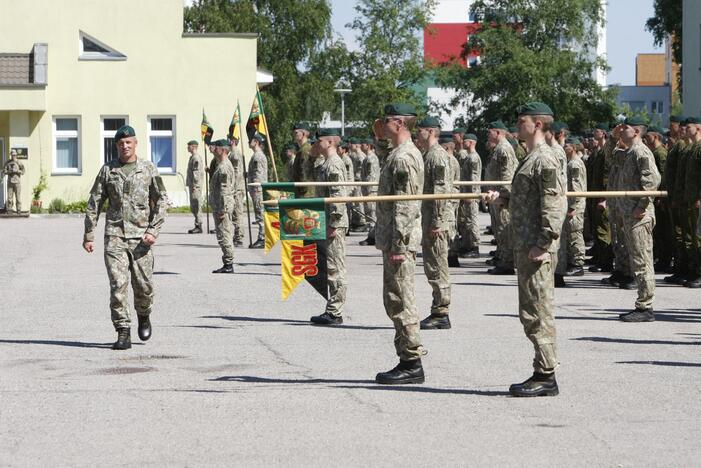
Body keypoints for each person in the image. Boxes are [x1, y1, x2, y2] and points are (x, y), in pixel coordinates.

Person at [486, 102, 566, 397]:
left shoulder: (544, 159)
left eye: (522, 121)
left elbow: (553, 204)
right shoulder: (530, 157)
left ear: (539, 125)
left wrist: (543, 244)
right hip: (526, 244)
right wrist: (503, 197)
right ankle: (542, 369)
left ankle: (545, 375)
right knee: (531, 310)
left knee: (538, 311)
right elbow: (529, 198)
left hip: (536, 247)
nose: (517, 126)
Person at [83, 125, 167, 350]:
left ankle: (144, 314)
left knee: (143, 286)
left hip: (142, 239)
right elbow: (95, 202)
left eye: (128, 142)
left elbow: (162, 201)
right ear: (116, 146)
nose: (125, 146)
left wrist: (153, 230)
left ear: (136, 143)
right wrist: (89, 234)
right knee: (118, 285)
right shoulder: (108, 170)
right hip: (115, 237)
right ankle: (123, 331)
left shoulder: (148, 169)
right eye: (121, 143)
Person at [372, 103, 426, 385]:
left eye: (386, 120)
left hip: (399, 241)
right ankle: (406, 356)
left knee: (402, 299)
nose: (382, 123)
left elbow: (405, 204)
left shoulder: (405, 158)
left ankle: (411, 361)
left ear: (400, 123)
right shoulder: (398, 153)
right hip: (393, 238)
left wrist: (399, 245)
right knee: (394, 298)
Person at [617, 117, 661, 322]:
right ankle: (643, 303)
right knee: (637, 260)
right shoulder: (629, 152)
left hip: (639, 215)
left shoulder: (641, 152)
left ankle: (645, 307)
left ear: (635, 131)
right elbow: (610, 157)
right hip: (630, 214)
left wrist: (642, 205)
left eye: (624, 127)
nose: (620, 129)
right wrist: (613, 138)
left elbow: (652, 180)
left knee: (642, 260)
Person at [416, 117, 454, 330]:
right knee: (433, 267)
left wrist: (438, 221)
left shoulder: (437, 156)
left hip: (436, 220)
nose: (417, 135)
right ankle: (438, 309)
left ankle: (441, 312)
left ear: (430, 132)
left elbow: (440, 191)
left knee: (438, 267)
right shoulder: (428, 155)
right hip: (430, 217)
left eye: (420, 131)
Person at [310, 128, 349, 325]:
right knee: (331, 265)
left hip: (334, 223)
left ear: (330, 142)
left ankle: (335, 311)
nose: (316, 143)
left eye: (320, 140)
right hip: (327, 221)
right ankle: (333, 307)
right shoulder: (326, 163)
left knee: (335, 267)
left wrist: (334, 222)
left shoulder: (334, 164)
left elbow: (337, 196)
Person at [486, 120, 518, 275]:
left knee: (505, 230)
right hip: (496, 196)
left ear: (498, 132)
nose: (487, 134)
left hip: (502, 198)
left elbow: (507, 175)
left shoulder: (504, 149)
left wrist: (504, 195)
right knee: (499, 230)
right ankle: (503, 259)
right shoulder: (498, 149)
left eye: (489, 131)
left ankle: (507, 263)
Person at [645, 126, 672, 272]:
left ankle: (665, 260)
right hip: (655, 196)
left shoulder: (660, 153)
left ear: (656, 137)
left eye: (648, 136)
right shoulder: (653, 152)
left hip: (660, 196)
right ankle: (661, 258)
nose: (646, 138)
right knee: (658, 231)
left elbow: (662, 176)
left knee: (663, 230)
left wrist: (661, 196)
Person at [209, 139, 236, 273]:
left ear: (224, 150)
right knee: (223, 233)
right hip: (220, 204)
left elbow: (225, 190)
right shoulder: (221, 164)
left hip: (222, 206)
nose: (215, 149)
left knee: (224, 234)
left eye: (218, 147)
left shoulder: (224, 166)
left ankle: (229, 264)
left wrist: (223, 209)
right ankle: (227, 262)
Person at [563, 138, 587, 277]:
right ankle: (571, 261)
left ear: (572, 147)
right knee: (570, 233)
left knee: (575, 233)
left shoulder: (575, 164)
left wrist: (572, 206)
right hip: (570, 204)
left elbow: (576, 188)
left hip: (575, 205)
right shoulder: (570, 163)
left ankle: (578, 264)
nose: (564, 147)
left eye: (566, 145)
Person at [459, 133, 482, 257]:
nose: (463, 143)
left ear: (472, 142)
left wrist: (472, 194)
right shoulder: (469, 157)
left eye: (466, 141)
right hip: (466, 193)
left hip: (471, 194)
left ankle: (474, 246)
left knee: (472, 220)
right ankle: (468, 245)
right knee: (468, 220)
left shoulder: (473, 158)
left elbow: (474, 177)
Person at [248, 133, 268, 248]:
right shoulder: (256, 155)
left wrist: (255, 187)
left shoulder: (258, 156)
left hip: (258, 189)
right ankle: (262, 237)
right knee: (259, 213)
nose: (249, 142)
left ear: (256, 142)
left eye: (252, 140)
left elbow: (258, 174)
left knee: (260, 214)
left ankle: (262, 238)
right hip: (256, 189)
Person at [360, 138, 380, 246]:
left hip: (371, 189)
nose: (360, 146)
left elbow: (371, 176)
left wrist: (369, 190)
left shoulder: (371, 159)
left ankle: (373, 237)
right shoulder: (367, 158)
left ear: (368, 145)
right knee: (369, 213)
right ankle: (372, 235)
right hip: (367, 189)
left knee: (373, 214)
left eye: (363, 144)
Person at [228, 137, 246, 247]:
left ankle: (239, 237)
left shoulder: (235, 154)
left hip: (237, 188)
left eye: (229, 139)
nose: (228, 141)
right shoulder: (233, 153)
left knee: (238, 213)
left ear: (233, 141)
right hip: (236, 187)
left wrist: (233, 187)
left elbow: (236, 172)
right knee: (235, 213)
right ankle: (237, 235)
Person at [291, 122, 315, 198]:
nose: (294, 135)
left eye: (296, 133)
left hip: (306, 193)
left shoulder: (305, 150)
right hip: (302, 191)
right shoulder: (302, 150)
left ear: (304, 134)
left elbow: (304, 173)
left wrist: (302, 191)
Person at [185, 140, 204, 233]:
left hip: (195, 186)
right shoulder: (192, 157)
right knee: (194, 206)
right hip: (193, 185)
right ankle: (197, 223)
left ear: (193, 147)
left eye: (189, 146)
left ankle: (198, 225)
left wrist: (195, 185)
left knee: (196, 205)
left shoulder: (196, 158)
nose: (187, 148)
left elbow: (196, 173)